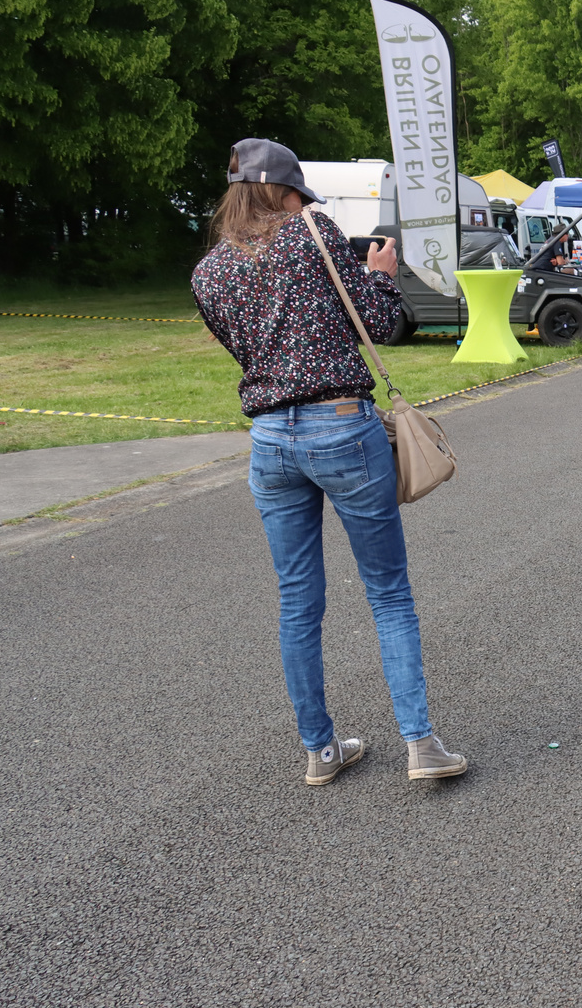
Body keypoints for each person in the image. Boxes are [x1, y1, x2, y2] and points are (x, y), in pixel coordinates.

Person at [190, 138, 467, 786]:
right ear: (287, 192)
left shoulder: (209, 272)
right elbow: (377, 320)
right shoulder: (312, 230)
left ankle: (320, 750)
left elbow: (245, 351)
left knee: (297, 602)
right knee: (388, 592)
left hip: (269, 440)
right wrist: (379, 271)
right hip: (341, 425)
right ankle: (421, 745)